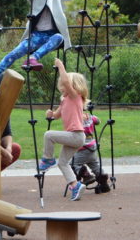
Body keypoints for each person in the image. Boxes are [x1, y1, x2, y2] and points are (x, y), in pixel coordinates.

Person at [39, 58, 88, 201]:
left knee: (48, 135)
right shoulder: (65, 100)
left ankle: (48, 159)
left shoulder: (75, 97)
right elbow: (56, 116)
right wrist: (51, 115)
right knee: (63, 163)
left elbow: (67, 81)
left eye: (64, 85)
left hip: (76, 135)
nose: (62, 87)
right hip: (73, 137)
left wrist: (60, 66)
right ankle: (75, 186)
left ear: (73, 87)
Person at [70, 112, 110, 193]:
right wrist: (91, 117)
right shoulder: (91, 118)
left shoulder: (76, 119)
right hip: (92, 147)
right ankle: (104, 183)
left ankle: (86, 175)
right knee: (94, 165)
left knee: (72, 165)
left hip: (82, 148)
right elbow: (98, 121)